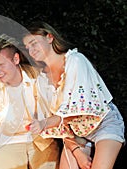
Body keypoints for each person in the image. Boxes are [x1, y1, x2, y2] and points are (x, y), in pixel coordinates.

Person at [22, 21, 125, 169]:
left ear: (49, 37)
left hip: (104, 122)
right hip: (77, 133)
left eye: (33, 43)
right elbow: (61, 124)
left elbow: (72, 111)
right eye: (27, 47)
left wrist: (44, 123)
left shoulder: (75, 61)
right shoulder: (42, 80)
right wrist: (78, 153)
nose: (31, 50)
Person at [0, 34, 60, 169]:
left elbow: (57, 109)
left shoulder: (39, 77)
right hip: (6, 142)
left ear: (16, 59)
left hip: (41, 140)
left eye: (1, 65)